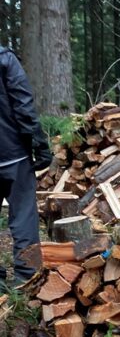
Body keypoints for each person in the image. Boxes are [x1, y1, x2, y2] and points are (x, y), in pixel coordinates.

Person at [0, 46, 52, 283]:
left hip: (13, 153)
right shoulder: (4, 58)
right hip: (13, 155)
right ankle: (27, 278)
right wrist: (39, 144)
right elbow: (23, 105)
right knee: (23, 215)